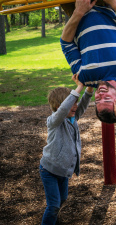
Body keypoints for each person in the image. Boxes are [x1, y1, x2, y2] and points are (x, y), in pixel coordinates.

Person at [27, 0, 116, 123]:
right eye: (107, 99)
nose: (100, 95)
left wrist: (79, 11)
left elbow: (66, 43)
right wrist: (115, 4)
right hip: (104, 1)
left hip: (74, 7)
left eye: (98, 100)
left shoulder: (84, 77)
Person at [40, 74, 93, 225]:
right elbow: (64, 109)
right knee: (54, 205)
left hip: (63, 171)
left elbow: (81, 106)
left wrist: (89, 88)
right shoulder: (54, 121)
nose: (75, 106)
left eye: (75, 103)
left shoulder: (72, 119)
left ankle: (53, 220)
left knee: (62, 199)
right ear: (59, 107)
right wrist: (79, 87)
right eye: (72, 103)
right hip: (49, 170)